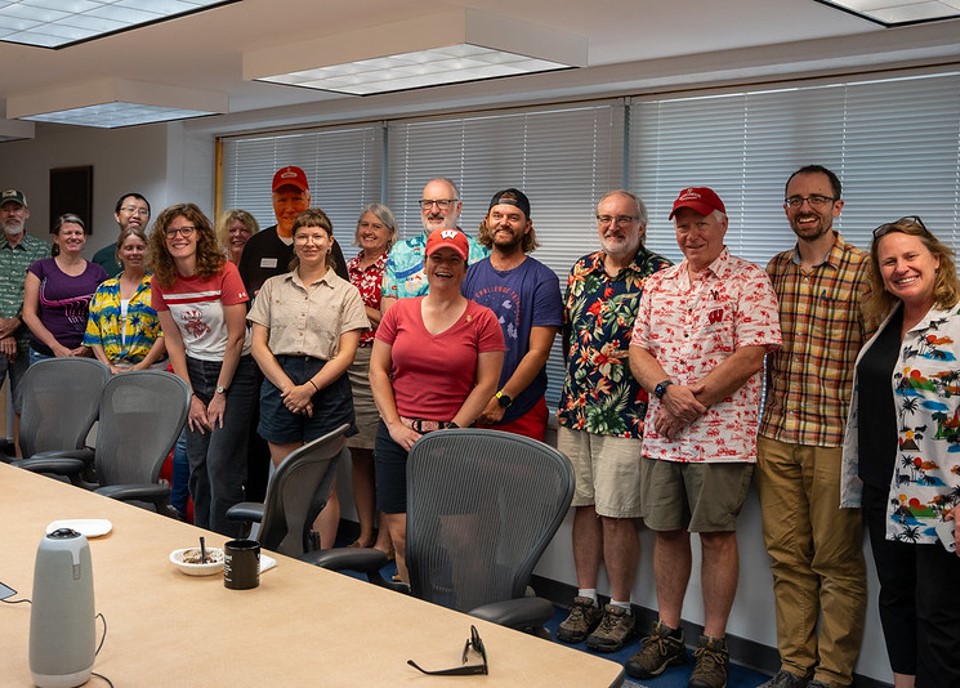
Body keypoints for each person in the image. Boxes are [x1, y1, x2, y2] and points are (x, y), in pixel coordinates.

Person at [627, 187, 781, 687]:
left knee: (716, 536)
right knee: (667, 533)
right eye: (682, 225)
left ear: (722, 225)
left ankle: (713, 645)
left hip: (723, 438)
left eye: (700, 224)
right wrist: (668, 391)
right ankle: (668, 635)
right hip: (663, 437)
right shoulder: (659, 283)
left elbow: (752, 353)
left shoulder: (749, 281)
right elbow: (639, 352)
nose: (690, 235)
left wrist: (689, 405)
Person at [756, 165, 869, 688]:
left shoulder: (866, 272)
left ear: (837, 207)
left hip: (836, 442)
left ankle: (833, 676)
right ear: (785, 209)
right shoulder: (772, 272)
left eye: (817, 199)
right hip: (776, 435)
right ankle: (794, 666)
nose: (806, 208)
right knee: (786, 560)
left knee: (837, 564)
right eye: (795, 199)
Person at [841, 216, 960, 688]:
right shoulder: (888, 320)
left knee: (941, 613)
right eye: (889, 261)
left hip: (940, 496)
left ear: (936, 259)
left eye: (911, 256)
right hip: (882, 488)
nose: (900, 267)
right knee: (896, 598)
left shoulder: (956, 324)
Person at [555, 190, 672, 653]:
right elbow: (570, 338)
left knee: (617, 514)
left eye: (624, 219)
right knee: (582, 506)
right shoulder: (581, 269)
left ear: (641, 226)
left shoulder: (662, 275)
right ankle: (585, 598)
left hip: (629, 413)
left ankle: (619, 607)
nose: (614, 227)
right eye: (606, 218)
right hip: (577, 408)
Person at [370, 228, 504, 582]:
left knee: (460, 540)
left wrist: (454, 430)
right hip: (397, 439)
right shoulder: (399, 311)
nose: (444, 266)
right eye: (437, 258)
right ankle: (415, 614)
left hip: (452, 443)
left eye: (453, 259)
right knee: (403, 537)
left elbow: (487, 383)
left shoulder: (483, 319)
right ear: (425, 265)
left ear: (464, 268)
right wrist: (395, 426)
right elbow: (378, 371)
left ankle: (464, 613)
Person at [248, 208, 368, 550]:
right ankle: (291, 553)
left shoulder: (347, 293)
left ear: (329, 243)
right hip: (279, 383)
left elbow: (346, 354)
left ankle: (323, 564)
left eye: (317, 236)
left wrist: (310, 389)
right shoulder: (272, 288)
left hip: (327, 386)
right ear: (294, 243)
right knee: (289, 482)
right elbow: (258, 345)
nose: (309, 242)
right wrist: (290, 389)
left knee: (322, 486)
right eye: (302, 236)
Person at [149, 203, 258, 537]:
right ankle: (203, 541)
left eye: (186, 230)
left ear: (200, 235)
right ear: (163, 239)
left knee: (221, 465)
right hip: (193, 372)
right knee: (198, 465)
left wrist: (220, 394)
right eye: (172, 232)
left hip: (236, 371)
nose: (179, 237)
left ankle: (230, 546)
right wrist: (191, 396)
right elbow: (173, 340)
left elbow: (237, 337)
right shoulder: (161, 280)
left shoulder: (224, 271)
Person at [462, 188, 562, 441]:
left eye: (513, 217)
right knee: (465, 480)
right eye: (497, 215)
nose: (504, 222)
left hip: (519, 409)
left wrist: (502, 398)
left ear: (527, 226)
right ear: (487, 221)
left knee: (517, 481)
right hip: (468, 407)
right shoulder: (469, 275)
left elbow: (539, 352)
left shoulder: (543, 279)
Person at [345, 203, 397, 552]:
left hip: (377, 362)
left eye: (377, 226)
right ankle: (365, 532)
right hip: (343, 362)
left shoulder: (395, 268)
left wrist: (358, 306)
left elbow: (392, 323)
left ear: (390, 234)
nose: (369, 231)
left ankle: (385, 538)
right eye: (364, 224)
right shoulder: (347, 266)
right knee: (357, 453)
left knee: (381, 454)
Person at [380, 177, 487, 312]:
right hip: (409, 332)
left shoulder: (481, 253)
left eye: (443, 203)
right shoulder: (400, 252)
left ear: (458, 208)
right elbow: (389, 309)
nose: (434, 210)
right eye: (428, 203)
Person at [237, 165, 346, 296]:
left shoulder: (324, 245)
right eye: (282, 200)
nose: (289, 208)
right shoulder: (256, 244)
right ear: (273, 203)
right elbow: (240, 293)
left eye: (296, 199)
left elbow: (341, 292)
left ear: (308, 201)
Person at [0, 189, 50, 451]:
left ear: (26, 213)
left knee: (24, 405)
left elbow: (45, 294)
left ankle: (21, 466)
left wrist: (14, 326)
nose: (12, 214)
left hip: (27, 340)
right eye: (6, 209)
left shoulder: (42, 249)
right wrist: (3, 331)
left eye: (16, 208)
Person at [22, 214, 107, 365]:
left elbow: (105, 316)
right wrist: (55, 346)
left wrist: (88, 345)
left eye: (78, 233)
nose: (74, 237)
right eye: (68, 233)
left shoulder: (98, 272)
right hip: (45, 354)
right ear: (56, 238)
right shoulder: (39, 268)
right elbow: (28, 314)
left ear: (84, 238)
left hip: (86, 356)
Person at [83, 226, 166, 373]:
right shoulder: (105, 289)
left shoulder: (159, 286)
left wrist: (144, 365)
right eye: (129, 248)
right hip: (110, 371)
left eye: (140, 248)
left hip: (152, 370)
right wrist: (108, 366)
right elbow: (93, 332)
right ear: (119, 253)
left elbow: (166, 331)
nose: (135, 252)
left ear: (148, 252)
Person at [92, 193, 151, 278]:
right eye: (131, 209)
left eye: (143, 212)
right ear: (117, 216)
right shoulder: (101, 257)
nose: (136, 215)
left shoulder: (160, 256)